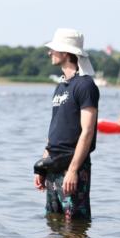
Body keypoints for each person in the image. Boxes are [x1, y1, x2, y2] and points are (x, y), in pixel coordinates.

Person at [33, 28, 99, 221]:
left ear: (66, 52)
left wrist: (73, 170)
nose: (49, 53)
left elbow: (87, 132)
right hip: (53, 164)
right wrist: (43, 166)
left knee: (75, 226)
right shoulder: (60, 86)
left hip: (73, 165)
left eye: (53, 49)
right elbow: (54, 129)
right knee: (53, 222)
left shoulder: (85, 85)